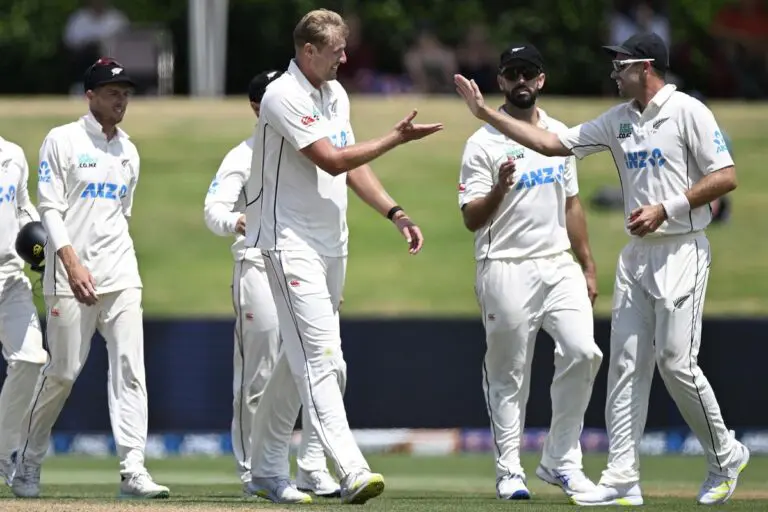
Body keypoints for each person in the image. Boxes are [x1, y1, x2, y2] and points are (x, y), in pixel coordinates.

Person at [454, 32, 747, 507]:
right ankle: (622, 475)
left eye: (621, 66)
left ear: (646, 67)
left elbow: (726, 176)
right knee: (625, 366)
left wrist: (666, 208)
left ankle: (725, 454)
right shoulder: (618, 121)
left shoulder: (689, 111)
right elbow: (551, 145)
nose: (613, 73)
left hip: (682, 248)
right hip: (636, 256)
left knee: (675, 363)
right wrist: (486, 114)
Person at [242, 8, 442, 505]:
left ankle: (265, 469)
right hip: (288, 243)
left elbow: (351, 170)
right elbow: (330, 159)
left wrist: (395, 212)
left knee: (300, 360)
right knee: (323, 358)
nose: (346, 58)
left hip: (331, 244)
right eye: (337, 51)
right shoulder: (282, 95)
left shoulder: (335, 95)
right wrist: (395, 138)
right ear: (308, 51)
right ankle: (349, 469)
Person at [11, 58, 170, 500]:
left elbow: (122, 216)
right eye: (112, 92)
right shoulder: (61, 140)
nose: (121, 100)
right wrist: (72, 263)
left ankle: (133, 469)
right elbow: (51, 209)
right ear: (91, 95)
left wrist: (104, 264)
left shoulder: (129, 151)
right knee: (61, 373)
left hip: (121, 274)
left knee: (130, 370)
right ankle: (26, 460)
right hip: (69, 277)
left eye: (125, 93)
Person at [459, 44, 603, 501]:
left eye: (529, 73)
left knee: (585, 353)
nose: (521, 81)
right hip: (504, 265)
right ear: (501, 81)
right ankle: (508, 470)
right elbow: (471, 219)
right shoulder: (482, 142)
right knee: (509, 373)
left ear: (541, 80)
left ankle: (561, 459)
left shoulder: (559, 134)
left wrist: (588, 264)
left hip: (558, 263)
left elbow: (572, 203)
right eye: (512, 73)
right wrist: (500, 188)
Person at [203, 69, 341, 497]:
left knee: (323, 365)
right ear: (256, 107)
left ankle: (313, 467)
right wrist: (238, 221)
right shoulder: (241, 156)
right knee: (257, 373)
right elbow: (213, 209)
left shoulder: (311, 150)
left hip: (305, 266)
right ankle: (255, 472)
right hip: (257, 267)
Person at [0, 138, 48, 485]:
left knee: (31, 358)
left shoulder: (12, 154)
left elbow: (22, 205)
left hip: (10, 276)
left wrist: (37, 237)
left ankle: (2, 456)